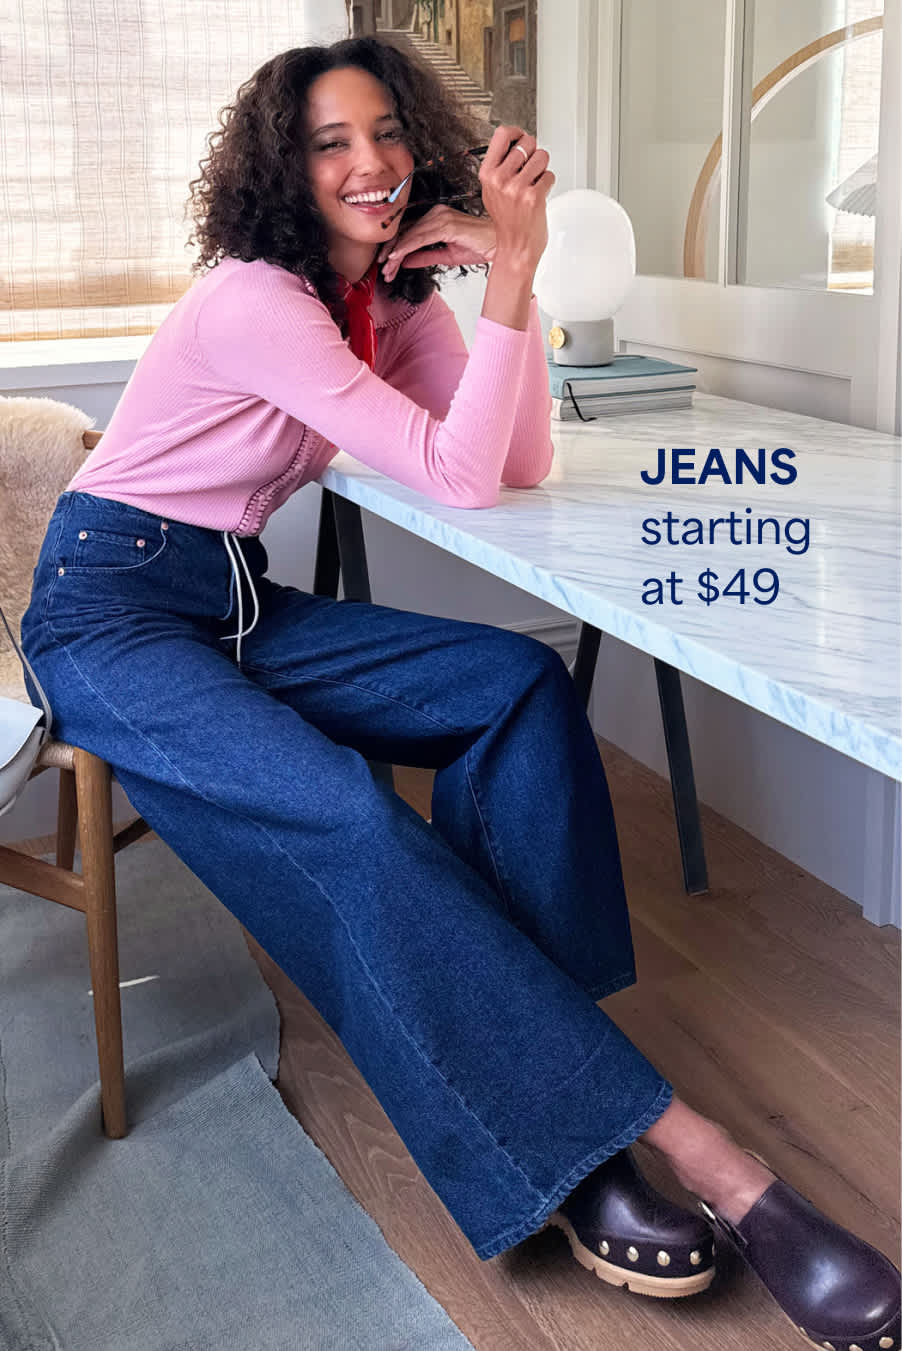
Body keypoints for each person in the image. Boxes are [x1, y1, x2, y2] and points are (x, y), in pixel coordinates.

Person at [21, 34, 899, 1349]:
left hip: (234, 603)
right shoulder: (260, 297)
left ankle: (554, 1098)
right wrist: (511, 273)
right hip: (107, 612)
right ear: (282, 166)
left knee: (513, 682)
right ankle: (709, 1162)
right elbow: (462, 477)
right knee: (353, 823)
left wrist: (501, 276)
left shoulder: (389, 300)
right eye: (329, 142)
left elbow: (518, 456)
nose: (367, 162)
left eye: (382, 132)